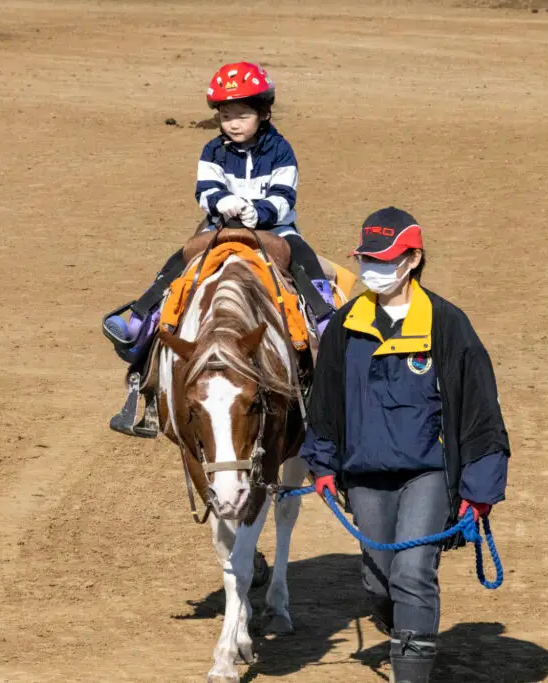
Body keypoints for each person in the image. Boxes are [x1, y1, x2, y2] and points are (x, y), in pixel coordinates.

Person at [299, 207, 511, 683]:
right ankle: (408, 636)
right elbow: (325, 404)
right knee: (379, 581)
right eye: (367, 258)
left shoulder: (447, 324)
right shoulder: (346, 324)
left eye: (385, 258)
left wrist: (479, 490)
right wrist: (323, 465)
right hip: (366, 473)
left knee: (412, 572)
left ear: (413, 259)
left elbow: (480, 411)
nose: (373, 268)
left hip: (428, 473)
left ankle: (410, 673)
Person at [103, 61, 335, 435]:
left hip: (274, 227)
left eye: (242, 115)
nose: (234, 124)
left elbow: (284, 194)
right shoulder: (212, 150)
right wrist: (221, 203)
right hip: (218, 226)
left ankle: (324, 316)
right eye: (226, 116)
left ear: (263, 113)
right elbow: (205, 190)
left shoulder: (281, 150)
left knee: (304, 259)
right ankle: (139, 324)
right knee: (177, 264)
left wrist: (256, 212)